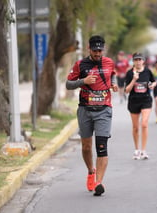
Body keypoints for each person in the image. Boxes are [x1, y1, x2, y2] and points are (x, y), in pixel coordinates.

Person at [66, 35, 118, 196]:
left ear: (103, 49)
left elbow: (113, 74)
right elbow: (68, 84)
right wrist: (84, 81)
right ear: (89, 49)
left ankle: (98, 182)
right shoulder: (80, 64)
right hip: (85, 110)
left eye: (100, 50)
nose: (97, 53)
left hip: (104, 110)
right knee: (86, 146)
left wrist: (114, 83)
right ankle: (91, 171)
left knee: (101, 146)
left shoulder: (109, 62)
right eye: (95, 50)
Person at [125, 52, 156, 160]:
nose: (138, 61)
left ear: (143, 61)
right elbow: (126, 90)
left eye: (140, 59)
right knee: (135, 127)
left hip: (146, 100)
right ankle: (136, 150)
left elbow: (153, 81)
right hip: (134, 101)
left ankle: (143, 150)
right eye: (136, 60)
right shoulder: (129, 73)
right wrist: (134, 79)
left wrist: (152, 85)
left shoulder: (147, 71)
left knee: (144, 124)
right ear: (133, 61)